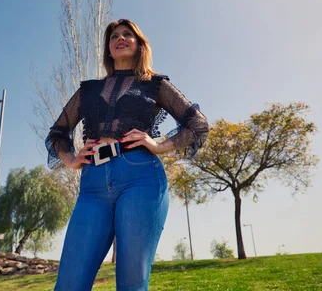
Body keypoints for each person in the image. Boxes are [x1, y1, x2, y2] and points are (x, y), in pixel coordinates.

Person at [46, 19, 209, 290]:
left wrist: (159, 145)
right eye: (114, 37)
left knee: (131, 282)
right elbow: (58, 131)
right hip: (92, 185)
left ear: (139, 44)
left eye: (127, 35)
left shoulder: (155, 84)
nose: (120, 39)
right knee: (69, 283)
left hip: (140, 178)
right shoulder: (88, 90)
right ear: (108, 49)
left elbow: (198, 124)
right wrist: (71, 159)